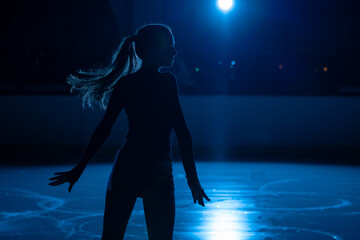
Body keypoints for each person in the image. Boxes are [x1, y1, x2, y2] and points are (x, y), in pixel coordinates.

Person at [48, 23, 210, 240]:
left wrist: (80, 168)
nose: (174, 51)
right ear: (151, 49)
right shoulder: (166, 83)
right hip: (157, 172)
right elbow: (182, 133)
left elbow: (104, 129)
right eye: (169, 46)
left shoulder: (128, 83)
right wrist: (193, 180)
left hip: (128, 169)